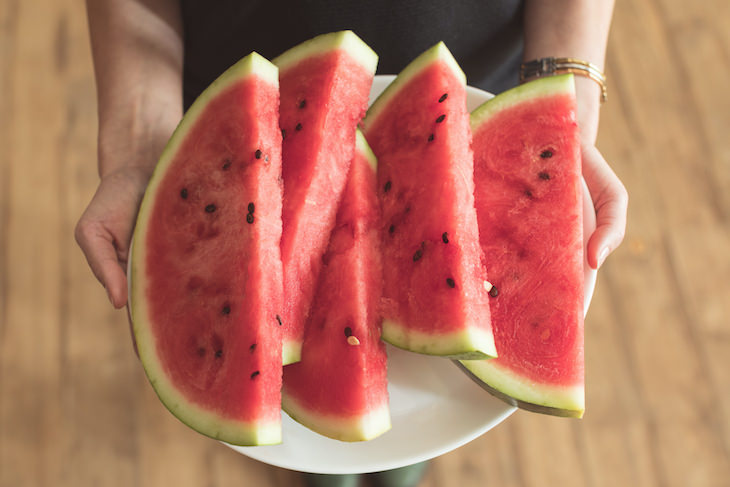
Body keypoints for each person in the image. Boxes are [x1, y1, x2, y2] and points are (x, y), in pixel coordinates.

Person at [76, 1, 627, 486]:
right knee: (308, 424)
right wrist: (139, 148)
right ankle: (330, 471)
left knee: (411, 432)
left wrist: (565, 96)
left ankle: (395, 466)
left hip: (473, 86)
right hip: (248, 111)